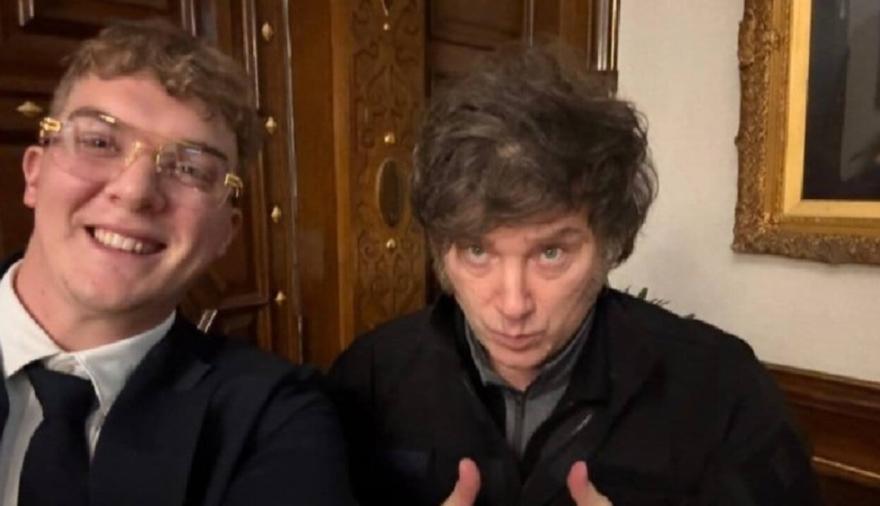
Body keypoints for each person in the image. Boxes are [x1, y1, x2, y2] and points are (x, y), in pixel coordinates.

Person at [328, 45, 823, 506]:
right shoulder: (369, 378)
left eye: (550, 253)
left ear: (609, 242)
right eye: (478, 251)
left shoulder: (721, 390)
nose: (513, 305)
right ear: (441, 250)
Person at [0, 19, 354, 506]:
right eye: (100, 143)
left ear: (226, 233)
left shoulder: (272, 418)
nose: (135, 191)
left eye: (190, 169)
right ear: (34, 174)